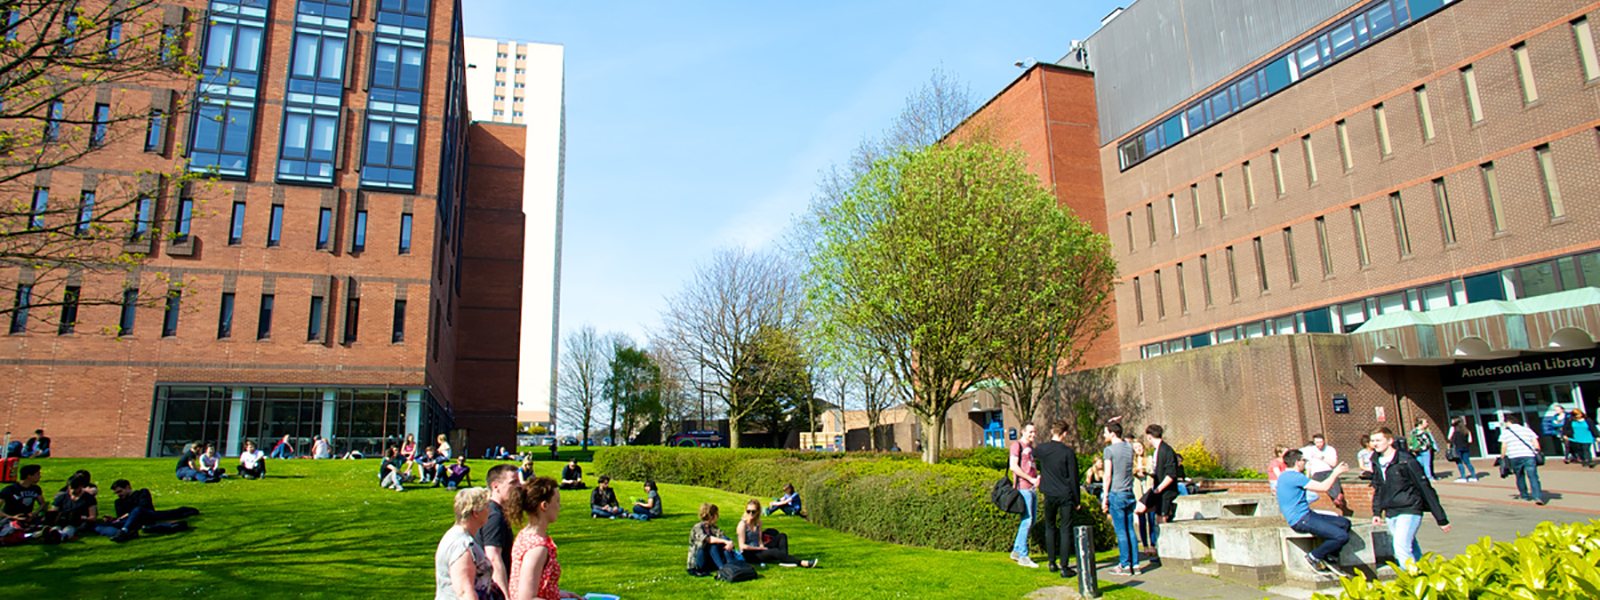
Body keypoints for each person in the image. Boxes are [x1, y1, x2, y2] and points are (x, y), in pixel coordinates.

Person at [1370, 426, 1451, 570]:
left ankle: (1411, 580)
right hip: (1391, 511)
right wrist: (1377, 512)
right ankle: (1424, 572)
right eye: (1372, 440)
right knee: (1410, 546)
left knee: (1400, 547)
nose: (1375, 443)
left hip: (1409, 508)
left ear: (1390, 441)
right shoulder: (1376, 460)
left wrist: (1441, 518)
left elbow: (1424, 487)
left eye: (1378, 440)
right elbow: (1379, 487)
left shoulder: (1406, 460)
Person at [1276, 449, 1353, 574]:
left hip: (1307, 515)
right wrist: (1336, 472)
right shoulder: (1295, 477)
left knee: (1344, 523)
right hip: (1301, 520)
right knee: (1341, 536)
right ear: (1297, 462)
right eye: (1303, 460)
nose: (1305, 463)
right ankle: (1314, 557)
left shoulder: (1284, 475)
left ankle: (1331, 557)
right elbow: (1324, 487)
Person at [508, 476, 583, 600]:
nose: (560, 506)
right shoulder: (537, 548)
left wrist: (559, 594)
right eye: (557, 501)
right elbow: (526, 598)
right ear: (544, 506)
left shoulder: (525, 534)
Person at [1034, 420, 1081, 578]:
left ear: (1052, 431)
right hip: (1065, 495)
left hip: (1049, 494)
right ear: (1065, 434)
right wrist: (1077, 500)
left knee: (1050, 527)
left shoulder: (1043, 449)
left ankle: (1052, 562)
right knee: (1065, 529)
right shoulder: (1068, 453)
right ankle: (1064, 566)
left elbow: (1030, 454)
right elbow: (1074, 478)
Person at [435, 487, 499, 600]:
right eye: (486, 507)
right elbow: (464, 591)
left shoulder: (460, 537)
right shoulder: (462, 545)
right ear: (476, 513)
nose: (489, 511)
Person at [95, 479, 198, 542]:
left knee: (138, 510)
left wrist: (128, 515)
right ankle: (124, 533)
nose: (119, 495)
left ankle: (124, 532)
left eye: (120, 491)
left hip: (146, 515)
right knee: (99, 526)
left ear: (127, 487)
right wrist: (113, 519)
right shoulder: (118, 502)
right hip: (133, 521)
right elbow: (121, 517)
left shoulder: (142, 493)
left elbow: (144, 507)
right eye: (116, 493)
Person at [476, 464, 523, 597]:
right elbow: (493, 557)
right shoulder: (494, 516)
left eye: (518, 481)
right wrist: (505, 595)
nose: (518, 486)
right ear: (495, 486)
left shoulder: (496, 513)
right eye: (513, 482)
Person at [1100, 421, 1139, 576]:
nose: (1104, 435)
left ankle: (1125, 564)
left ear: (1112, 434)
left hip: (1116, 493)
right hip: (1129, 492)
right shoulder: (1129, 448)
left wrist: (1105, 498)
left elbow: (1107, 475)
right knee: (1130, 529)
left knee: (1121, 531)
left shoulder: (1109, 451)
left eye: (1105, 432)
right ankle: (1135, 564)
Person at [736, 498, 817, 567]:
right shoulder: (742, 524)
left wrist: (761, 546)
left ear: (758, 511)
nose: (750, 514)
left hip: (759, 548)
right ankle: (802, 562)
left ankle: (784, 559)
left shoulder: (758, 522)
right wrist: (760, 548)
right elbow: (742, 546)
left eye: (753, 511)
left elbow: (759, 539)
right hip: (749, 554)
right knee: (774, 551)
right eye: (748, 511)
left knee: (782, 536)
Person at [1141, 424, 1180, 565]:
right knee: (1143, 510)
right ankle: (1159, 549)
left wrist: (1159, 488)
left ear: (1150, 436)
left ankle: (1164, 553)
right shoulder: (1158, 450)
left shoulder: (1166, 450)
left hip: (1165, 492)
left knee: (1162, 521)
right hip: (1158, 491)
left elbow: (1171, 474)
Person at [1007, 422, 1040, 568]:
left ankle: (1016, 550)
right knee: (1027, 520)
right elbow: (1014, 467)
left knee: (1030, 521)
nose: (1032, 435)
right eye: (1030, 432)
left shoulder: (1031, 449)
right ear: (1023, 432)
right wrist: (1030, 479)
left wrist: (1037, 478)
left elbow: (1032, 467)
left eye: (1034, 432)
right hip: (1023, 488)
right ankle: (1023, 556)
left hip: (1032, 488)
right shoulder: (1017, 446)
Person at [1498, 413, 1544, 505]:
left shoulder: (1506, 432)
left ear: (1509, 422)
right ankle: (1537, 496)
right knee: (1533, 476)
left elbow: (1504, 445)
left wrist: (1502, 456)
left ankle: (1524, 494)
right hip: (1529, 455)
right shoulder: (1527, 430)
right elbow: (1536, 442)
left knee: (1519, 475)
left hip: (1514, 456)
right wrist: (1537, 451)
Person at [687, 502, 745, 574]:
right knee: (712, 545)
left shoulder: (713, 528)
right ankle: (722, 569)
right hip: (699, 562)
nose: (718, 517)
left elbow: (724, 538)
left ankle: (731, 566)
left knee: (725, 539)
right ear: (711, 516)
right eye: (716, 515)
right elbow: (709, 539)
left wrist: (729, 543)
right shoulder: (697, 528)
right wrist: (725, 542)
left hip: (711, 560)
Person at [1299, 434, 1347, 512]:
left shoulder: (1330, 449)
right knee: (1324, 484)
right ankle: (1337, 496)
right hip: (1317, 473)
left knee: (1335, 480)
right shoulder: (1310, 450)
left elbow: (1334, 464)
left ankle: (1337, 496)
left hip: (1328, 470)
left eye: (1321, 442)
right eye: (1317, 442)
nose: (1319, 444)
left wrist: (1322, 457)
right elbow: (1299, 453)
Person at [46, 472, 98, 539]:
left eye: (75, 488)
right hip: (62, 521)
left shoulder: (89, 498)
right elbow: (53, 512)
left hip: (79, 523)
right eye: (71, 488)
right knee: (57, 527)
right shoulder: (62, 498)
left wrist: (82, 518)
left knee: (70, 528)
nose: (72, 491)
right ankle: (52, 533)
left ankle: (62, 536)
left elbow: (93, 517)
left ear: (81, 487)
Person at [1130, 437, 1154, 557]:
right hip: (1138, 492)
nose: (1138, 449)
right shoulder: (1132, 461)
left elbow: (1154, 470)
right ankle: (1145, 545)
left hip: (1148, 490)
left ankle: (1153, 545)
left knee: (1152, 519)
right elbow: (1128, 473)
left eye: (1140, 447)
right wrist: (1135, 471)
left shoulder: (1149, 459)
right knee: (1142, 520)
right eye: (1136, 448)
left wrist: (1146, 470)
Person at [1447, 417, 1478, 481]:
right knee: (1467, 462)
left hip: (1457, 447)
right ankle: (1473, 476)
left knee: (1459, 462)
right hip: (1466, 447)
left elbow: (1449, 437)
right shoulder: (1466, 430)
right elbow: (1470, 440)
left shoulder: (1453, 428)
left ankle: (1463, 477)